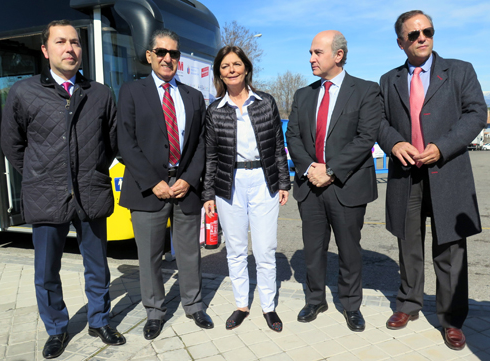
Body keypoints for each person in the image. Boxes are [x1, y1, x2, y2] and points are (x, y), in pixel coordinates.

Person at [0, 20, 125, 359]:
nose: (69, 48)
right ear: (45, 50)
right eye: (61, 42)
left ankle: (100, 320)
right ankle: (56, 328)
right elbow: (12, 144)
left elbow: (112, 142)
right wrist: (39, 175)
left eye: (75, 42)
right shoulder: (23, 93)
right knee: (46, 271)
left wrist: (93, 170)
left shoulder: (99, 93)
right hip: (47, 196)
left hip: (91, 194)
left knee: (98, 266)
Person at [377, 10, 487, 350]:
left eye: (427, 30)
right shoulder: (388, 80)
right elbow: (378, 122)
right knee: (408, 243)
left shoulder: (460, 70)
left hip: (448, 171)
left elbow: (476, 113)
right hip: (406, 176)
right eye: (413, 34)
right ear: (400, 42)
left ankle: (451, 319)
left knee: (450, 249)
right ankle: (408, 304)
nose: (422, 37)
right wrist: (394, 143)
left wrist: (442, 147)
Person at [117, 29, 213, 340]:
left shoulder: (193, 96)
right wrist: (153, 181)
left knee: (189, 253)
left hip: (185, 188)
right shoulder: (131, 91)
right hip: (148, 188)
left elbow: (201, 143)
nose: (167, 58)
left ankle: (194, 304)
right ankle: (155, 312)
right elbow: (126, 143)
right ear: (149, 56)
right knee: (149, 256)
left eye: (173, 53)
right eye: (161, 52)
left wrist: (188, 178)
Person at [286, 31, 381, 332]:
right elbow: (293, 136)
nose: (311, 58)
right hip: (309, 184)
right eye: (310, 53)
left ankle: (351, 305)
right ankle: (315, 300)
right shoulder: (303, 94)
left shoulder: (366, 90)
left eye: (317, 52)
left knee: (349, 249)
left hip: (346, 185)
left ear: (338, 55)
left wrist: (331, 170)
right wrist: (311, 168)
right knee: (313, 248)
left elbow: (366, 137)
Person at [202, 46, 290, 332]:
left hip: (264, 181)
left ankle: (269, 307)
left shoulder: (265, 102)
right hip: (229, 185)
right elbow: (210, 156)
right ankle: (242, 304)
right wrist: (207, 195)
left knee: (265, 249)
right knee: (236, 250)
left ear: (246, 68)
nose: (231, 69)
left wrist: (284, 183)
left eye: (236, 64)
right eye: (225, 66)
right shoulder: (214, 111)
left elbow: (278, 145)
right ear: (219, 73)